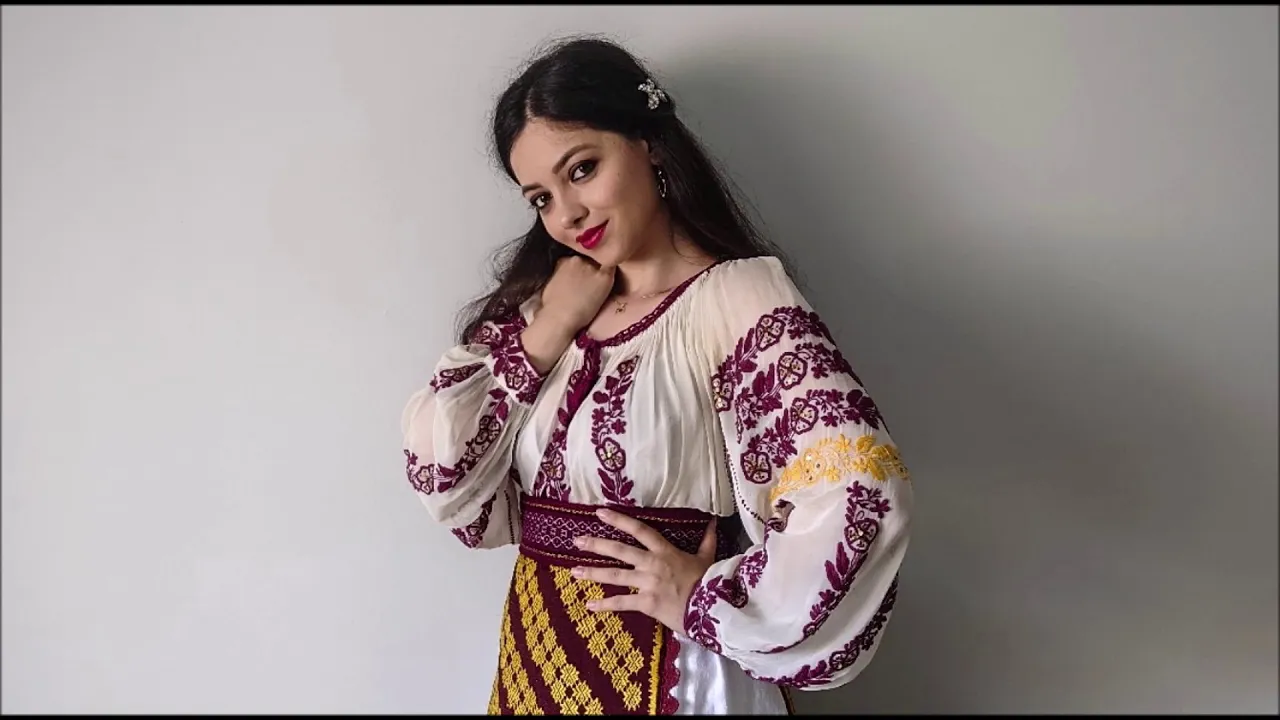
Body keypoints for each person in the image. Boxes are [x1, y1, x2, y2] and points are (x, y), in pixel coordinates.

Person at [400, 35, 913, 716]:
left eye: (582, 169)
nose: (567, 214)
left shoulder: (734, 301)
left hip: (674, 674)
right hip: (537, 663)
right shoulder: (540, 312)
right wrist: (551, 328)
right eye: (541, 198)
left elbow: (858, 489)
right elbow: (446, 477)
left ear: (648, 144)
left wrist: (706, 598)